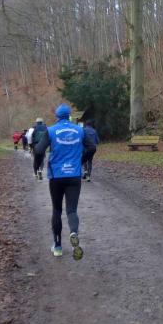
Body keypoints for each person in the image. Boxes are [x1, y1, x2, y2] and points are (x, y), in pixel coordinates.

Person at [34, 104, 94, 258]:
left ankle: (58, 246)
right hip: (74, 175)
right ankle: (74, 232)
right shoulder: (79, 130)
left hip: (56, 176)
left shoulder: (51, 130)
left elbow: (39, 150)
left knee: (57, 210)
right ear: (69, 116)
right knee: (72, 210)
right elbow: (92, 147)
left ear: (57, 116)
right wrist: (81, 161)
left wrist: (38, 166)